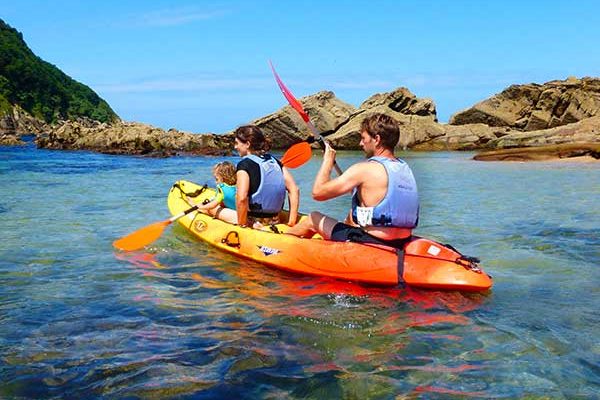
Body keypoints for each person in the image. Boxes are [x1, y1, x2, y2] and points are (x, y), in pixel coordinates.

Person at [287, 113, 419, 247]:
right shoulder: (405, 169)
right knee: (351, 216)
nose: (361, 143)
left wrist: (328, 161)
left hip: (372, 241)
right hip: (402, 242)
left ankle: (280, 244)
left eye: (363, 138)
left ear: (376, 139)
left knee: (313, 218)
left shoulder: (365, 169)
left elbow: (318, 193)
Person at [233, 125, 299, 228]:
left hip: (254, 223)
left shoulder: (244, 164)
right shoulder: (276, 162)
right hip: (276, 221)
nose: (235, 147)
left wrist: (241, 225)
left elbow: (241, 198)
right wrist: (291, 222)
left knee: (216, 211)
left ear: (247, 144)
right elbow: (294, 189)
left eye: (237, 143)